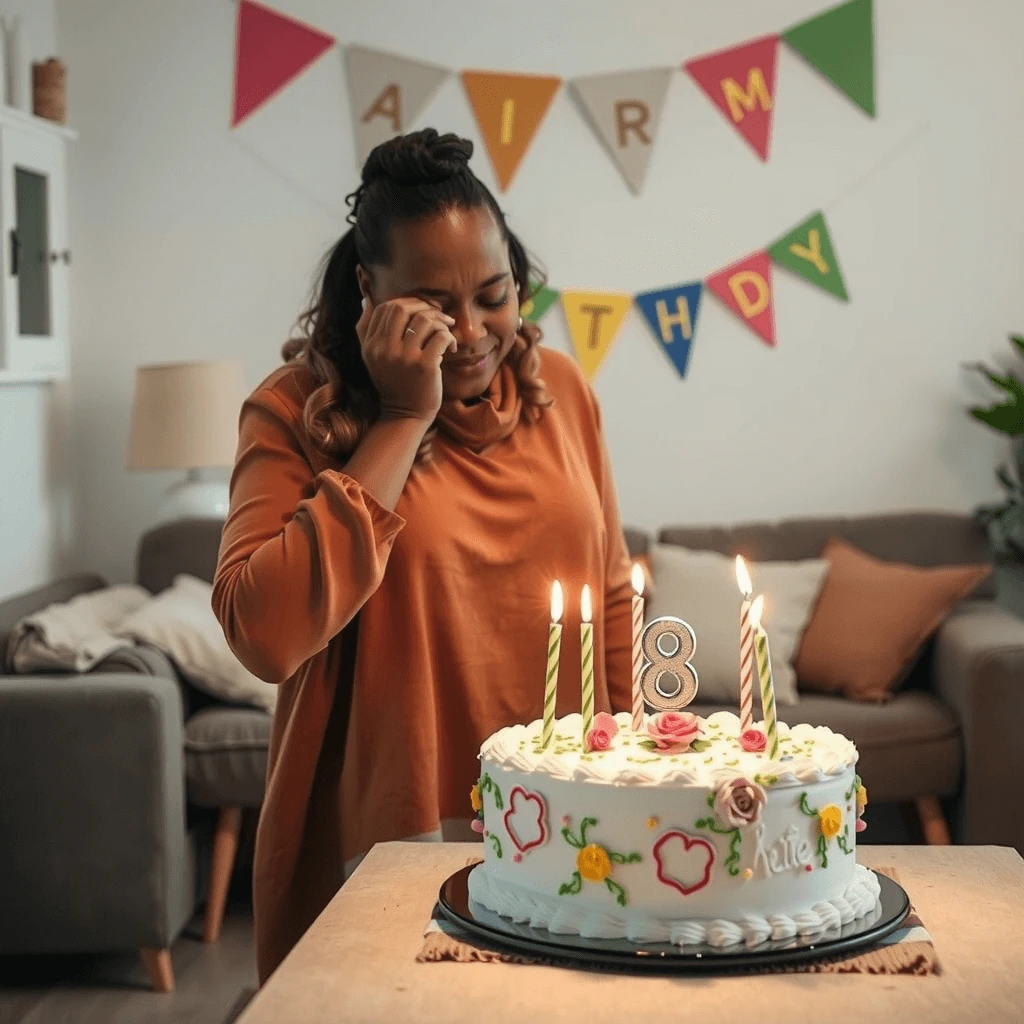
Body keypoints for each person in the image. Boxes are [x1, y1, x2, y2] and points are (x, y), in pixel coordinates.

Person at [212, 128, 634, 983]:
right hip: (393, 832)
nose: (473, 332)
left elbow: (613, 591)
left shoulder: (563, 389)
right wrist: (404, 420)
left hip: (569, 818)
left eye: (494, 293)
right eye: (436, 305)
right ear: (369, 290)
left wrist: (629, 773)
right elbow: (261, 633)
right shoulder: (296, 408)